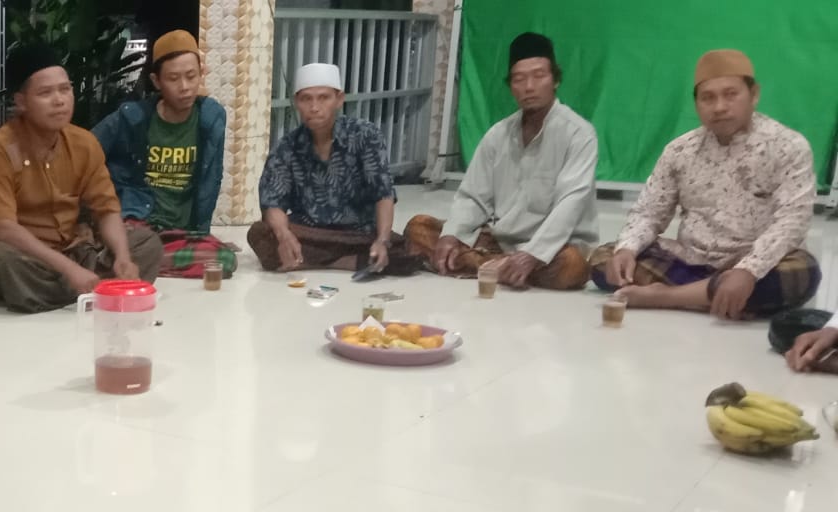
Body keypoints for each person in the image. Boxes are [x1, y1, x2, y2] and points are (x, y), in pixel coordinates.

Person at [591, 49, 820, 320]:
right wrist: (627, 249)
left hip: (756, 263)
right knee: (605, 259)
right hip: (692, 261)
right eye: (708, 98)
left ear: (754, 95)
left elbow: (792, 222)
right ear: (696, 103)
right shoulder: (680, 150)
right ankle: (713, 296)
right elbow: (649, 212)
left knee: (802, 272)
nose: (719, 107)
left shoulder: (788, 147)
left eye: (730, 94)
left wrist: (748, 270)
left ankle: (667, 297)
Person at [0, 45, 162, 313]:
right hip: (25, 257)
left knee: (146, 244)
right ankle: (93, 289)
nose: (59, 100)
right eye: (45, 93)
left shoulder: (84, 143)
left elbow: (106, 210)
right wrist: (68, 269)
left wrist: (122, 257)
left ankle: (71, 291)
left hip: (75, 250)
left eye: (65, 89)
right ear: (21, 102)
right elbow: (2, 229)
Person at [416, 32, 598, 290]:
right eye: (519, 79)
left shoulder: (579, 134)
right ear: (511, 86)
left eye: (539, 76)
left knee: (573, 266)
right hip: (502, 242)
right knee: (419, 227)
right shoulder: (498, 135)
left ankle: (486, 265)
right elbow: (473, 197)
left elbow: (571, 203)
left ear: (555, 80)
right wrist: (452, 236)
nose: (529, 87)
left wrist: (533, 254)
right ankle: (502, 267)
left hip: (555, 247)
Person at [250, 63, 431, 276]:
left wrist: (382, 240)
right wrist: (283, 235)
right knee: (260, 234)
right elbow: (272, 202)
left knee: (412, 246)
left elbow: (383, 194)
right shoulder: (287, 147)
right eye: (306, 99)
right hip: (311, 233)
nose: (314, 107)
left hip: (359, 234)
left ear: (339, 99)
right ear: (297, 102)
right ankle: (351, 261)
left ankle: (330, 260)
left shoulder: (365, 136)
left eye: (323, 98)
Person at [91, 30, 231, 279]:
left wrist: (202, 232)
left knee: (224, 260)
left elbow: (212, 178)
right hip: (138, 223)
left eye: (191, 76)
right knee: (139, 244)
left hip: (178, 230)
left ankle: (139, 260)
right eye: (173, 78)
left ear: (202, 73)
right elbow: (85, 150)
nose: (184, 87)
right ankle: (138, 257)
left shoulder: (211, 118)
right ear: (156, 81)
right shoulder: (133, 117)